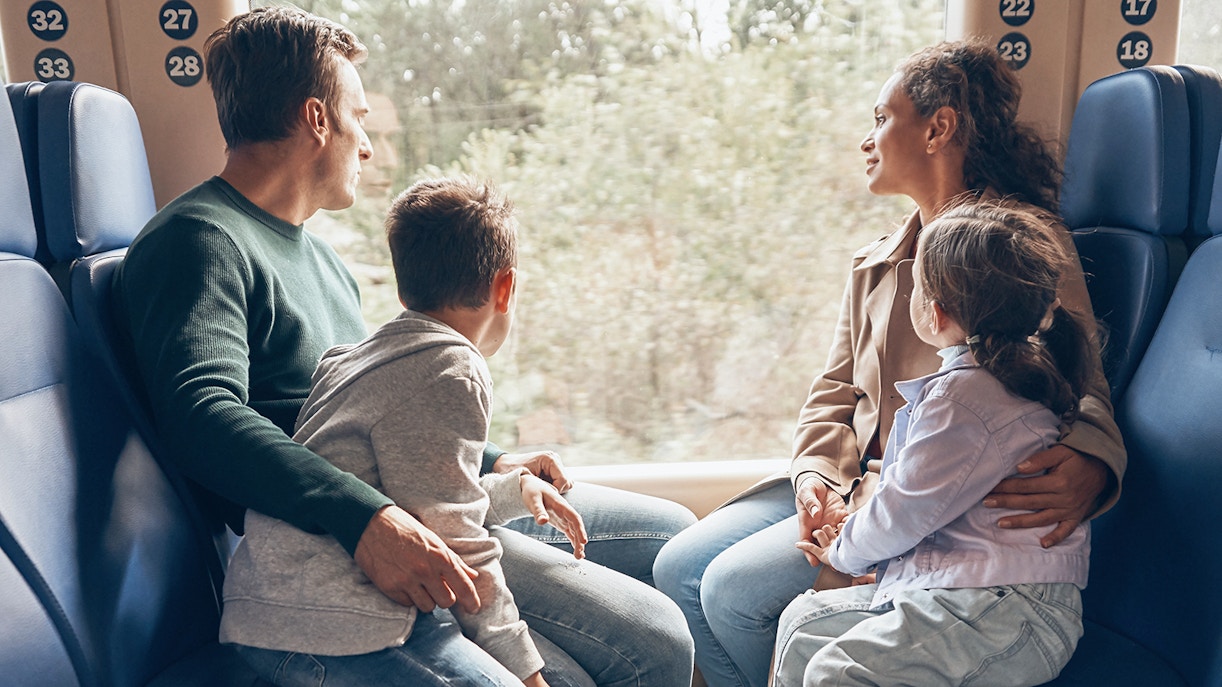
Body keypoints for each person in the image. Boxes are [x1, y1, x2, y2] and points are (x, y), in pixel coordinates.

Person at [112, 7, 694, 686]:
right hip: (341, 542)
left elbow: (374, 402)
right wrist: (367, 518)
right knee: (634, 655)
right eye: (358, 118)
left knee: (666, 538)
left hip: (414, 495)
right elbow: (201, 414)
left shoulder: (323, 263)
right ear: (317, 118)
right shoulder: (199, 240)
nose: (365, 145)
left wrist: (495, 456)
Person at [653, 39, 1125, 687]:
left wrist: (1093, 462)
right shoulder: (874, 261)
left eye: (881, 118)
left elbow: (1082, 383)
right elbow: (834, 391)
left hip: (927, 494)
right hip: (850, 483)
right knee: (678, 565)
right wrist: (814, 475)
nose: (866, 139)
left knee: (734, 590)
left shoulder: (1017, 248)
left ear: (938, 127)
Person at [221, 177, 587, 686]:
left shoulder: (352, 358)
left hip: (267, 612)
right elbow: (459, 543)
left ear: (402, 285)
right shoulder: (453, 366)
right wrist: (528, 674)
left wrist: (511, 489)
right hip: (325, 631)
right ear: (505, 288)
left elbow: (417, 492)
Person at [773, 202, 1093, 686]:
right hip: (962, 590)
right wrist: (858, 528)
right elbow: (917, 496)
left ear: (935, 311)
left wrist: (844, 549)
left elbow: (906, 510)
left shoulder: (965, 399)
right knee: (802, 628)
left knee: (837, 673)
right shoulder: (976, 384)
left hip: (1011, 609)